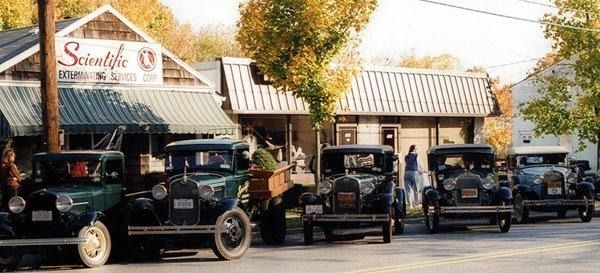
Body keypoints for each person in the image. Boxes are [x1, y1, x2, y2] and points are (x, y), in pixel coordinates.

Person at [404, 145, 423, 209]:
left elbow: (406, 164)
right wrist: (421, 170)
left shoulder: (406, 156)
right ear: (414, 149)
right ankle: (416, 203)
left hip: (406, 172)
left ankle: (410, 205)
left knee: (408, 190)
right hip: (414, 172)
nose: (417, 150)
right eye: (416, 148)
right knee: (416, 188)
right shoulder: (417, 155)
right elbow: (419, 164)